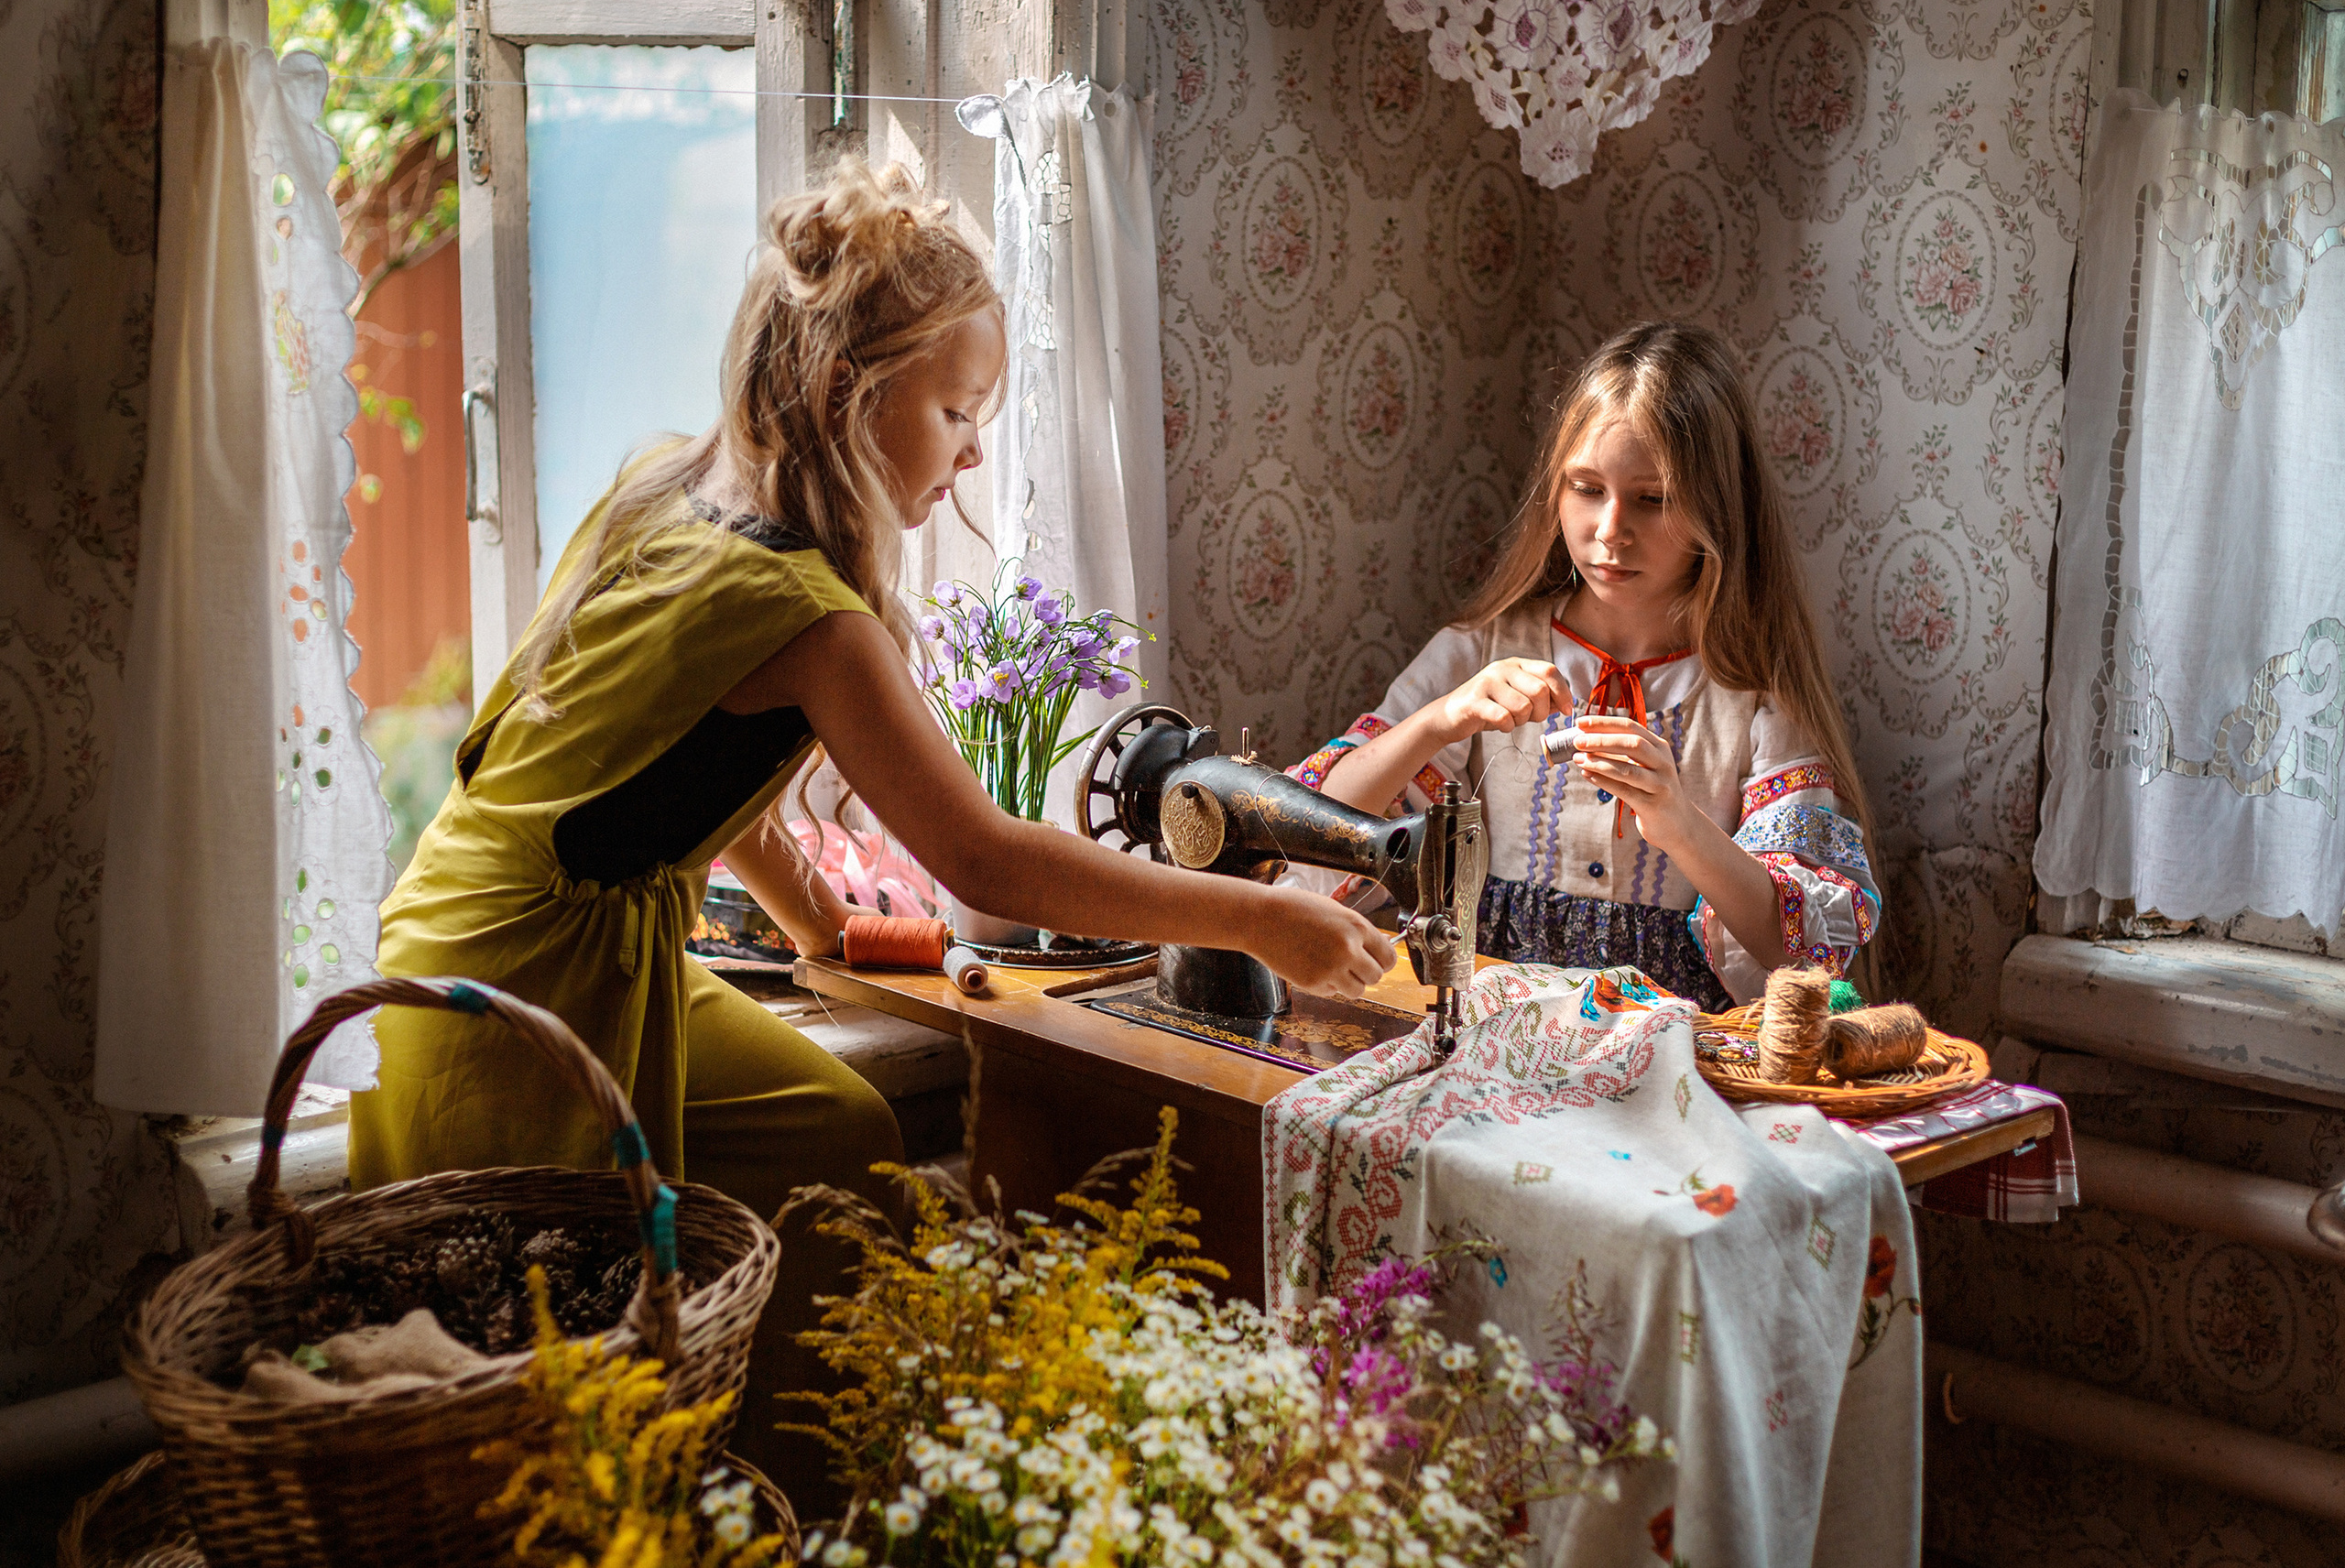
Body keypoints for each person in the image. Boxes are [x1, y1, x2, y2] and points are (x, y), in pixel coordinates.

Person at [347, 162, 1391, 1489]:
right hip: (511, 984)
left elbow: (683, 777)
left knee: (833, 1138)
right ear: (854, 393)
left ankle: (794, 1483)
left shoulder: (662, 487)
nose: (971, 452)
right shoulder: (807, 614)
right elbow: (986, 857)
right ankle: (729, 1488)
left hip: (538, 925)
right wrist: (1263, 916)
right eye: (956, 410)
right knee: (554, 1373)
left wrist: (822, 927)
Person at [1288, 321, 1878, 1011]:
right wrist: (1436, 724)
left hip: (1676, 1055)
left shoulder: (1755, 696)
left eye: (1652, 499)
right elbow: (1317, 836)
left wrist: (1679, 824)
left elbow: (1799, 953)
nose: (1609, 529)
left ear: (1720, 505)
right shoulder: (1478, 652)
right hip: (1496, 1034)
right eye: (1586, 487)